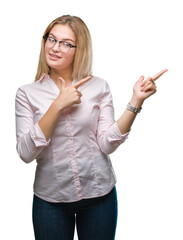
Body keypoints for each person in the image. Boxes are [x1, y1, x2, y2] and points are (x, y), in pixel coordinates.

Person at [15, 15, 167, 240]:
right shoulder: (26, 94)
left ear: (79, 49)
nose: (55, 48)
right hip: (50, 201)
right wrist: (57, 105)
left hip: (100, 196)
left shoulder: (99, 86)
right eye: (51, 39)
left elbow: (107, 144)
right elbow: (25, 153)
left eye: (66, 43)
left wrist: (136, 101)